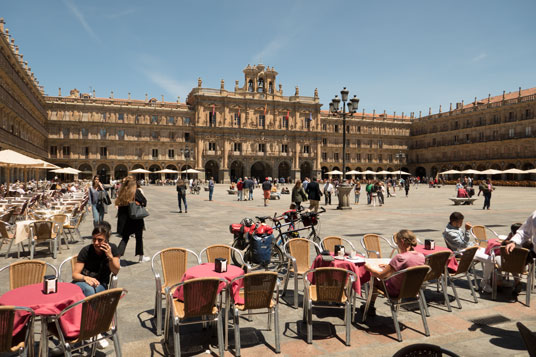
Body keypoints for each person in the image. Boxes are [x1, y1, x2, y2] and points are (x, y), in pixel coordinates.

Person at [362, 230, 425, 316]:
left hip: (395, 291)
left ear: (402, 241)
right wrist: (390, 266)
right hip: (413, 290)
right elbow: (407, 267)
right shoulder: (421, 256)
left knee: (374, 279)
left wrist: (369, 268)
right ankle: (369, 307)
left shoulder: (400, 257)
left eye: (397, 242)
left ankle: (369, 307)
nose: (397, 245)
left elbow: (381, 275)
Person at [443, 211, 493, 293]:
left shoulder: (456, 228)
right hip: (465, 253)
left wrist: (475, 245)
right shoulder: (449, 232)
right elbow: (463, 245)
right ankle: (485, 283)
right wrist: (467, 230)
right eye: (460, 222)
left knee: (492, 253)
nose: (462, 224)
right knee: (490, 259)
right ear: (454, 222)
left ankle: (495, 280)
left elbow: (466, 243)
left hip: (471, 248)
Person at [72, 223, 120, 296]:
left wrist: (110, 257)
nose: (96, 243)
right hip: (83, 282)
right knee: (89, 290)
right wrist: (85, 278)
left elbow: (115, 271)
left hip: (101, 283)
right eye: (94, 239)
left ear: (107, 240)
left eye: (100, 240)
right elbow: (75, 275)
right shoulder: (86, 250)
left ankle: (90, 307)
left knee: (94, 291)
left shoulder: (113, 249)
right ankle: (91, 307)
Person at [115, 176, 149, 262]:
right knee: (139, 237)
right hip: (135, 218)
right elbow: (144, 201)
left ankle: (117, 257)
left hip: (125, 220)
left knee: (125, 238)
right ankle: (141, 257)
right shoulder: (135, 191)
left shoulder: (122, 192)